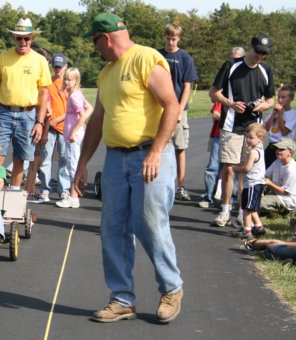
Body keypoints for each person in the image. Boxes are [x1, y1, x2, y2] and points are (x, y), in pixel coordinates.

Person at [71, 13, 183, 323]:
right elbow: (96, 121)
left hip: (149, 155)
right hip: (115, 159)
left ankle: (171, 289)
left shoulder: (146, 58)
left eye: (96, 43)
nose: (96, 50)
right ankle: (122, 299)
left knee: (150, 224)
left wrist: (157, 151)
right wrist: (82, 164)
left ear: (104, 38)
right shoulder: (107, 73)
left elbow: (171, 105)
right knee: (113, 229)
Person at [209, 34, 275, 227]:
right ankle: (225, 210)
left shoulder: (265, 70)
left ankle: (242, 211)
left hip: (254, 129)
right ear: (250, 47)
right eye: (258, 52)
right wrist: (230, 103)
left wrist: (265, 106)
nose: (260, 56)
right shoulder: (231, 65)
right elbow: (213, 92)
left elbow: (271, 99)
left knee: (248, 171)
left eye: (264, 54)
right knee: (229, 169)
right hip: (231, 125)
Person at [0, 18, 51, 191]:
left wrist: (39, 122)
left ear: (32, 39)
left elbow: (44, 92)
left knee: (20, 158)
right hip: (4, 112)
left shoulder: (40, 61)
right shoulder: (3, 57)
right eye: (19, 38)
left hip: (28, 114)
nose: (23, 42)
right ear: (13, 38)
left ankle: (14, 195)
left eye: (26, 38)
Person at [198, 47, 246, 209]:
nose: (234, 62)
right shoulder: (222, 91)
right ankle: (209, 196)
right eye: (232, 58)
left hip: (235, 133)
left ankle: (230, 199)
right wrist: (230, 107)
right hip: (219, 134)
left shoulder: (242, 90)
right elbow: (216, 113)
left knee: (232, 168)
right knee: (213, 167)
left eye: (238, 59)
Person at [158, 23, 199, 202]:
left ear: (179, 38)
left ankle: (181, 186)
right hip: (159, 108)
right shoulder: (157, 55)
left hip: (178, 108)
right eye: (168, 38)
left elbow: (187, 86)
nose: (171, 42)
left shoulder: (185, 58)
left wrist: (180, 110)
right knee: (158, 145)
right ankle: (158, 182)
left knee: (180, 148)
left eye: (174, 39)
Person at [56, 67, 94, 208]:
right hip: (72, 133)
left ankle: (74, 197)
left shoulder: (74, 96)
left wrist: (75, 130)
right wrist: (80, 123)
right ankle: (74, 195)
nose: (66, 82)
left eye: (69, 79)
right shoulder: (75, 94)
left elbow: (83, 113)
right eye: (65, 79)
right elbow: (89, 108)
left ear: (76, 80)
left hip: (73, 135)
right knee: (72, 163)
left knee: (73, 165)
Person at [38, 53, 69, 202]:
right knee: (46, 158)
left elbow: (73, 108)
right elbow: (45, 104)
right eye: (56, 67)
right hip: (49, 126)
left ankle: (64, 189)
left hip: (64, 126)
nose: (58, 70)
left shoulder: (69, 84)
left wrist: (59, 119)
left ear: (65, 67)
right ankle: (45, 189)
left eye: (60, 67)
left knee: (64, 159)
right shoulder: (48, 83)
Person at [231, 123, 266, 239]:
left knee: (246, 208)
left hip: (252, 183)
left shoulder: (253, 152)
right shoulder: (260, 149)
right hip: (257, 182)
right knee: (252, 208)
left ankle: (247, 231)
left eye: (251, 137)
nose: (248, 140)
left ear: (260, 138)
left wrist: (235, 169)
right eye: (247, 137)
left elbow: (247, 168)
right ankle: (259, 226)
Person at [259, 138, 296, 215]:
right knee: (251, 198)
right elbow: (264, 175)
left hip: (286, 199)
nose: (278, 151)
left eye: (282, 149)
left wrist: (270, 183)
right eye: (277, 149)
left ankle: (284, 210)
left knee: (257, 204)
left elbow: (286, 192)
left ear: (290, 152)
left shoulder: (292, 169)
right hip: (275, 192)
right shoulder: (277, 162)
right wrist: (261, 190)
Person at [263, 85, 296, 168]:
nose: (280, 100)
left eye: (283, 97)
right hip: (271, 145)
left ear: (291, 99)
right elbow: (266, 128)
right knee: (266, 170)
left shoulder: (293, 114)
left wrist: (280, 115)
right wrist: (273, 114)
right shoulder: (275, 111)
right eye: (278, 97)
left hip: (284, 146)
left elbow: (284, 132)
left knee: (281, 171)